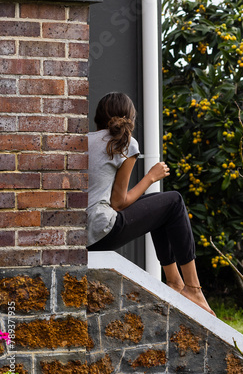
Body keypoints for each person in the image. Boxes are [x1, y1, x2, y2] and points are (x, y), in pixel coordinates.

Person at [87, 92, 215, 316]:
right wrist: (151, 177)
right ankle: (193, 289)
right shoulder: (124, 143)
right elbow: (118, 203)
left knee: (161, 208)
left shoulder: (84, 140)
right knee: (174, 202)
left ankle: (175, 283)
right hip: (102, 230)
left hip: (82, 235)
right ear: (129, 118)